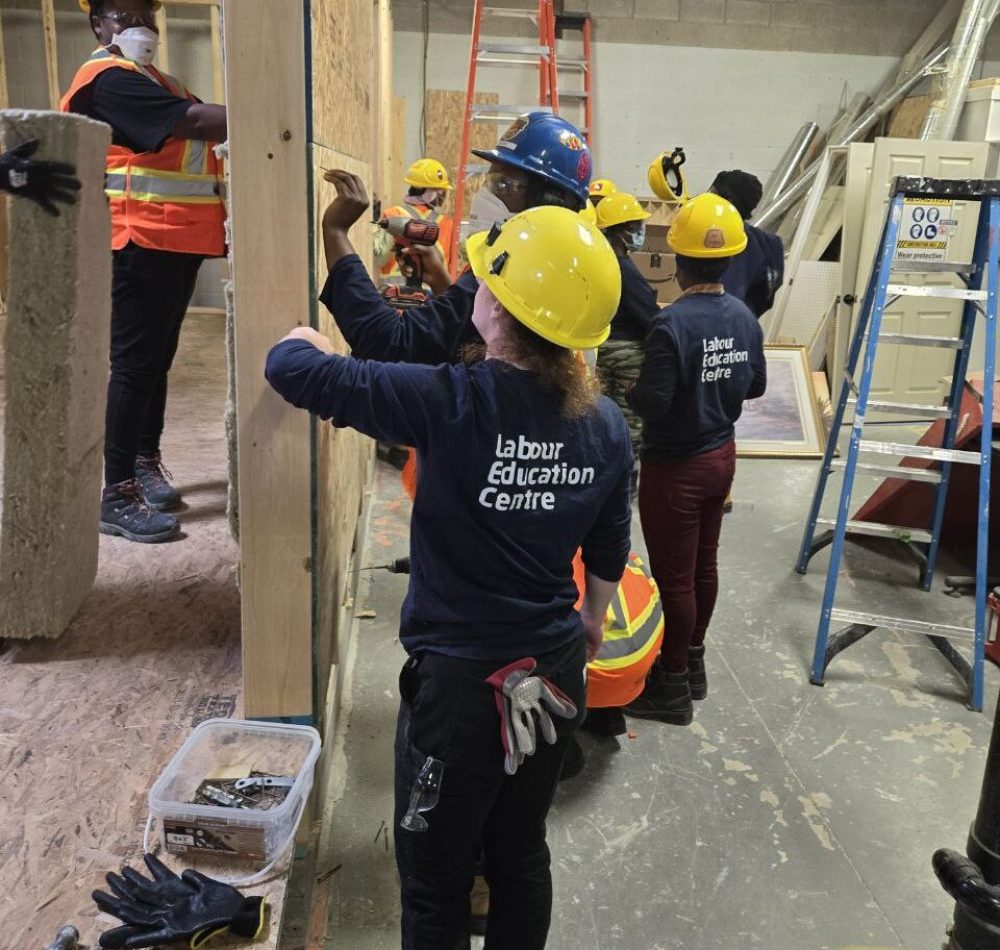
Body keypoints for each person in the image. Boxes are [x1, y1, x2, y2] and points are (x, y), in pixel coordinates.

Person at [267, 178, 631, 949]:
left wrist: (303, 340)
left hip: (464, 691)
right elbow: (608, 541)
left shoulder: (450, 400)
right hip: (557, 669)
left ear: (495, 310)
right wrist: (593, 621)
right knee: (519, 851)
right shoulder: (602, 422)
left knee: (434, 877)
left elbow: (297, 374)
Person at [62, 0, 227, 543]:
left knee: (156, 361)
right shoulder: (107, 81)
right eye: (124, 14)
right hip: (136, 238)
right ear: (98, 24)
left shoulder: (159, 79)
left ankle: (142, 459)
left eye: (146, 11)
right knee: (134, 365)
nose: (140, 24)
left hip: (173, 240)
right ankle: (116, 494)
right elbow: (196, 122)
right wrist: (273, 108)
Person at [623, 193, 766, 727]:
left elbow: (653, 403)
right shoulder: (744, 317)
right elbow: (755, 385)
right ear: (728, 260)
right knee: (703, 567)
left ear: (677, 264)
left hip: (675, 467)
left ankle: (673, 684)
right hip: (721, 457)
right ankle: (695, 662)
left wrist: (636, 387)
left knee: (674, 579)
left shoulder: (672, 324)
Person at [594, 191, 657, 486]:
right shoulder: (625, 269)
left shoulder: (597, 261)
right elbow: (649, 316)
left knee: (602, 413)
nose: (639, 232)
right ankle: (624, 481)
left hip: (600, 346)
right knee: (630, 418)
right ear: (619, 232)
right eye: (634, 227)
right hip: (628, 352)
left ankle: (603, 475)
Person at [710, 169, 784, 318]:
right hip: (746, 326)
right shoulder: (769, 244)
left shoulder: (716, 242)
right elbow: (766, 296)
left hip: (715, 328)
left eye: (711, 195)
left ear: (727, 202)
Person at [376, 157, 454, 291]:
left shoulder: (393, 215)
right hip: (433, 306)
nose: (443, 195)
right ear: (431, 193)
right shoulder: (448, 225)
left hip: (393, 301)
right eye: (441, 191)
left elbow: (379, 258)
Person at [0, 140, 79, 214]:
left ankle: (73, 196)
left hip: (32, 183)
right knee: (56, 174)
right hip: (34, 169)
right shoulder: (5, 159)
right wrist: (32, 145)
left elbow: (31, 194)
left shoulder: (11, 187)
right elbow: (25, 149)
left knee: (53, 189)